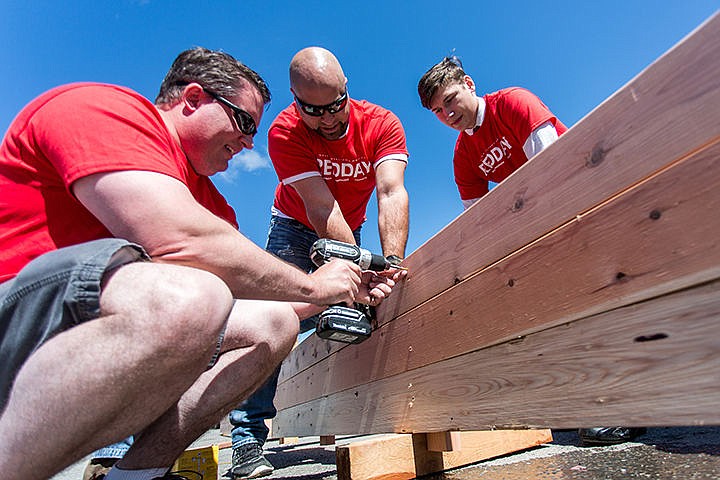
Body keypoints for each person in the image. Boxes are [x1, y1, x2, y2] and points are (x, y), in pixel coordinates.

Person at [0, 46, 396, 480]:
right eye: (244, 123)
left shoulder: (213, 206)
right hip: (17, 320)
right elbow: (178, 241)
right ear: (192, 99)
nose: (249, 143)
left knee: (273, 325)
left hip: (92, 330)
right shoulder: (105, 110)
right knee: (191, 296)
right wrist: (317, 287)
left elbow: (242, 301)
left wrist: (344, 291)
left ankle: (137, 473)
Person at [417, 56, 646, 447]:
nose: (447, 113)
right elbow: (480, 221)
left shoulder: (513, 103)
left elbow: (552, 168)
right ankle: (590, 397)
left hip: (584, 201)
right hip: (540, 227)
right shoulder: (463, 155)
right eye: (438, 111)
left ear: (469, 84)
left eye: (450, 100)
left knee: (607, 298)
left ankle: (623, 404)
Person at [228, 46, 410, 479]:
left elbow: (390, 193)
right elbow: (320, 207)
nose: (327, 119)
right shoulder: (284, 133)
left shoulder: (382, 124)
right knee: (273, 321)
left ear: (347, 89)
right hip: (295, 226)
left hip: (352, 227)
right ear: (295, 99)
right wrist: (358, 269)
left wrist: (392, 262)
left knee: (361, 312)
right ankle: (247, 438)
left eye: (335, 106)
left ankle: (368, 413)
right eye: (314, 110)